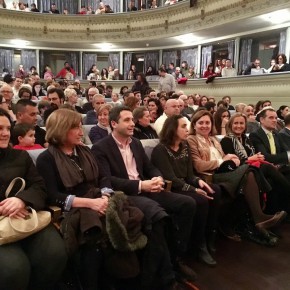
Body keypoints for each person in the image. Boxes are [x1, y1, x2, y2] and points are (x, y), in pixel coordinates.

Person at [91, 106, 198, 288]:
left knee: (188, 203)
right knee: (159, 219)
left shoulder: (136, 143)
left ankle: (176, 257)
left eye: (133, 119)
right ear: (114, 123)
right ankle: (165, 276)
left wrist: (157, 177)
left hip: (147, 190)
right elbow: (107, 179)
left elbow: (149, 167)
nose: (132, 123)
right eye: (127, 120)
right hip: (125, 195)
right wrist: (141, 185)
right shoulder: (101, 148)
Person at [36, 109, 115, 289]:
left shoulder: (85, 151)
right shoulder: (46, 159)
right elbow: (53, 195)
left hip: (98, 200)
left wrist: (104, 195)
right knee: (92, 237)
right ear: (61, 129)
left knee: (132, 219)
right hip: (71, 211)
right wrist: (91, 203)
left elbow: (103, 177)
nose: (82, 132)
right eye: (76, 128)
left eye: (81, 127)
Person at [187, 110, 286, 239]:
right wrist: (224, 160)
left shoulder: (213, 139)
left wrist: (231, 159)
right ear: (194, 125)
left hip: (224, 172)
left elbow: (224, 158)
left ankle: (258, 219)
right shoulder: (191, 139)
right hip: (209, 176)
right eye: (201, 123)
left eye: (208, 123)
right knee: (250, 169)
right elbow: (199, 165)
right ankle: (260, 218)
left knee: (251, 171)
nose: (205, 126)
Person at [0, 108, 67, 290]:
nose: (5, 133)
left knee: (55, 253)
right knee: (14, 268)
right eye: (0, 129)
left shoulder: (20, 156)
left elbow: (39, 186)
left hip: (26, 216)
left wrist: (22, 200)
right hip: (2, 223)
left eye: (7, 128)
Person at [151, 115, 221, 266]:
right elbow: (171, 179)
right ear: (172, 129)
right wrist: (194, 189)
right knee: (201, 200)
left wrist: (199, 181)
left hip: (185, 185)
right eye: (183, 126)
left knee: (215, 190)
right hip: (172, 188)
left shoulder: (185, 146)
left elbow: (190, 175)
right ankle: (200, 244)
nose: (187, 129)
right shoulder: (160, 150)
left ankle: (210, 236)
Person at [221, 113, 290, 215]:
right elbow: (232, 163)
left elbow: (255, 155)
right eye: (236, 123)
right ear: (230, 125)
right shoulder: (226, 140)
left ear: (245, 125)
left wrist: (257, 157)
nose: (239, 126)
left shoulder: (246, 139)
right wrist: (251, 158)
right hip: (238, 172)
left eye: (241, 123)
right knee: (268, 167)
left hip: (253, 168)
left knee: (275, 176)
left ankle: (277, 212)